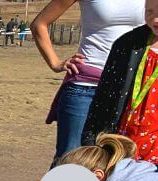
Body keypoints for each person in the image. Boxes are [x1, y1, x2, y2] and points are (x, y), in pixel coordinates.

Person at [32, 1, 145, 165]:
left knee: (120, 162)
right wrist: (55, 63)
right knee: (72, 159)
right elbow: (39, 24)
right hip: (86, 86)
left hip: (129, 88)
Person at [83, 0, 158, 173]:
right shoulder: (126, 45)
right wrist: (91, 140)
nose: (155, 20)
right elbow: (102, 97)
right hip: (118, 152)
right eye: (149, 11)